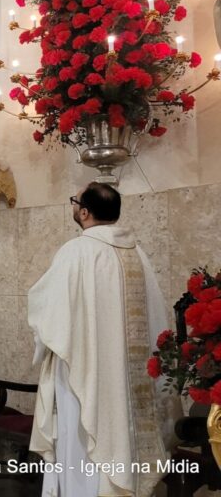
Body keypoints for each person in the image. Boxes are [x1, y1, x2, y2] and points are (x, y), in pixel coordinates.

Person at [28, 183, 181, 496]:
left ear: (84, 212)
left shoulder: (76, 251)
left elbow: (48, 313)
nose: (74, 207)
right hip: (129, 377)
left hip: (85, 377)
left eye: (75, 203)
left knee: (82, 445)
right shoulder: (138, 254)